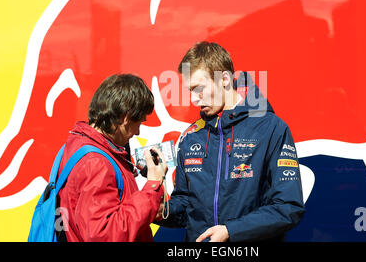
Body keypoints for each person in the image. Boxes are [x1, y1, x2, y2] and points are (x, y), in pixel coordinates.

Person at [156, 41, 305, 242]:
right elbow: (185, 205)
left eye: (198, 88)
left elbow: (288, 207)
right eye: (189, 91)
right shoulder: (191, 136)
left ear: (224, 79)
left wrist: (231, 231)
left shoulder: (271, 128)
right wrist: (159, 211)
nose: (193, 99)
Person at [57, 73, 168, 241]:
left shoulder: (78, 144)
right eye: (139, 123)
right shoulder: (96, 163)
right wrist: (152, 187)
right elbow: (105, 234)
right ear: (126, 117)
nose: (137, 132)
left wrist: (147, 206)